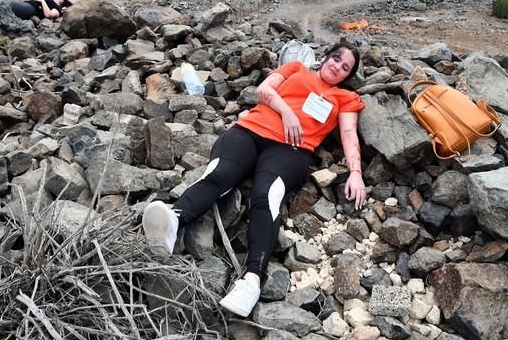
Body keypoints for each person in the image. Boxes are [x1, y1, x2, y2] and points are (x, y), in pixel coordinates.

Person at [142, 42, 367, 317]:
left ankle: (252, 280)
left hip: (291, 149)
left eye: (345, 67)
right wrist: (287, 112)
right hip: (248, 132)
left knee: (265, 197)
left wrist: (355, 173)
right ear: (325, 57)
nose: (337, 67)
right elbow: (264, 90)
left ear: (348, 75)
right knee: (220, 176)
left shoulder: (345, 98)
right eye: (335, 59)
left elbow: (348, 135)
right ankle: (172, 221)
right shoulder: (296, 68)